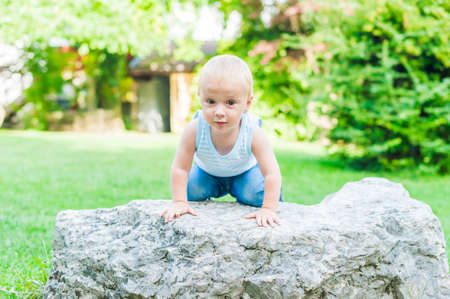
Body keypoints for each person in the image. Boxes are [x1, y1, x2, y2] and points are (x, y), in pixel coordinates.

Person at [160, 54, 282, 227]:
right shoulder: (195, 129)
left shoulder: (253, 132)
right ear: (200, 97)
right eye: (210, 101)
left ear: (247, 104)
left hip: (244, 174)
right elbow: (180, 168)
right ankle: (202, 191)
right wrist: (180, 202)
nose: (219, 111)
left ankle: (270, 198)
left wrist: (269, 209)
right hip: (207, 173)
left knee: (255, 193)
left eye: (230, 102)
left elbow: (272, 173)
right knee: (191, 190)